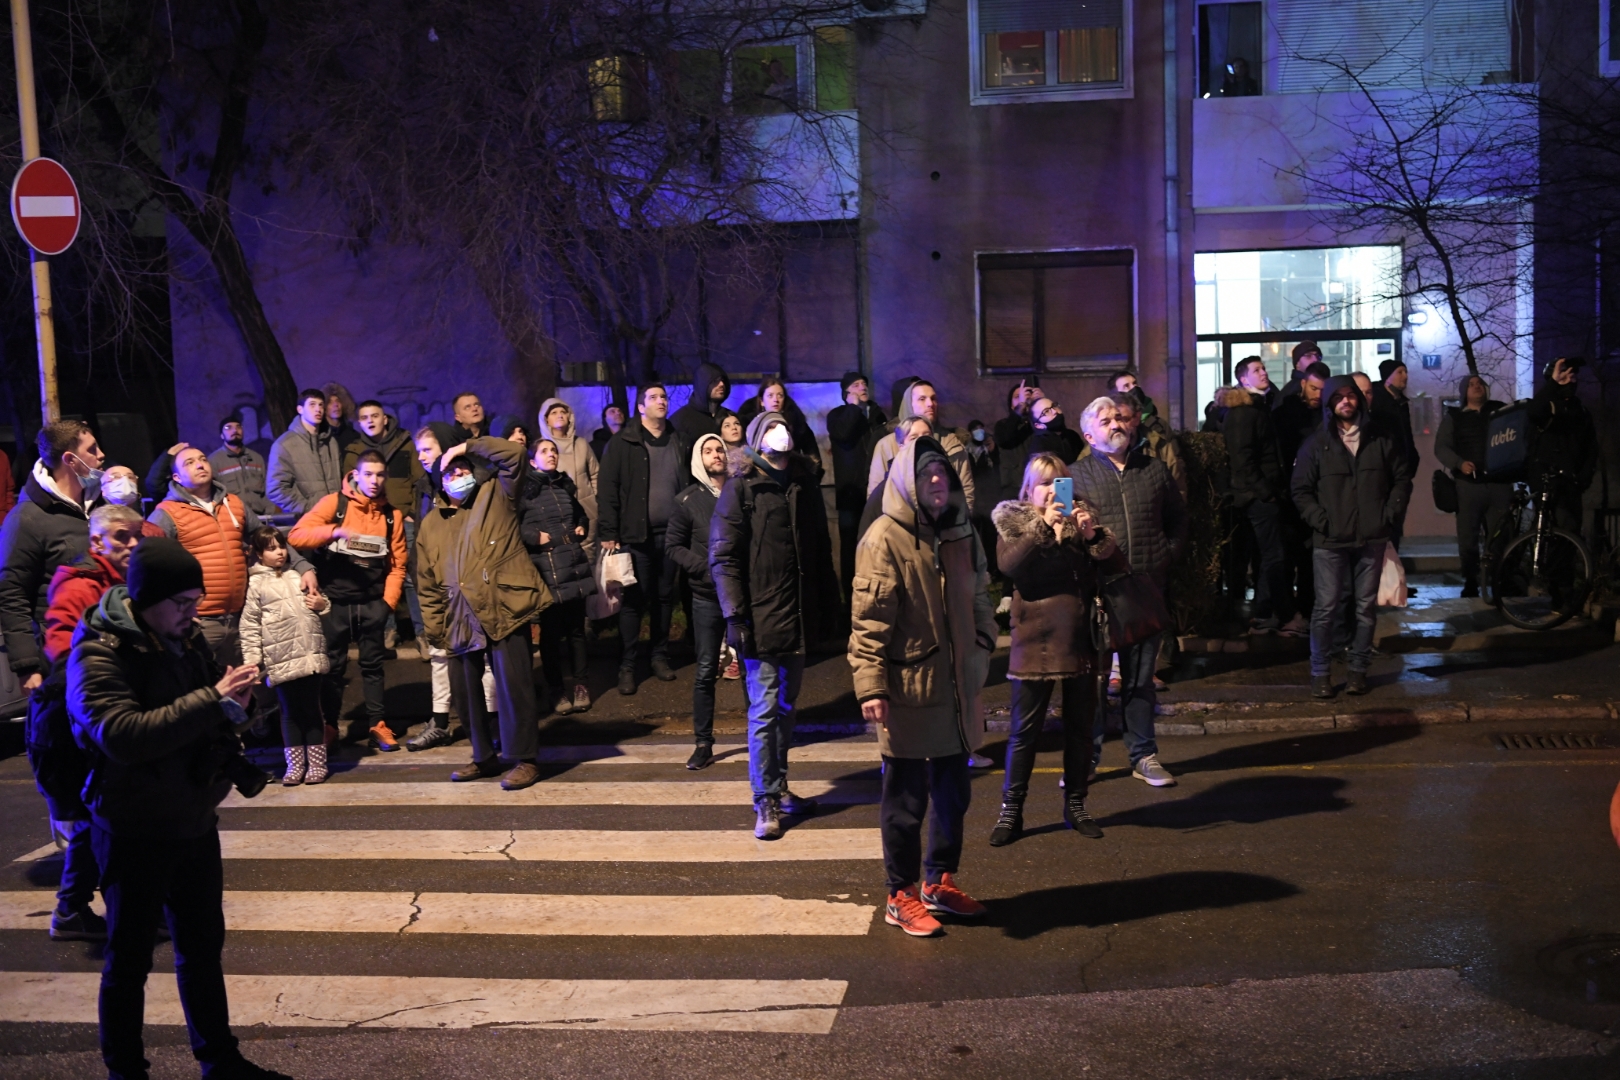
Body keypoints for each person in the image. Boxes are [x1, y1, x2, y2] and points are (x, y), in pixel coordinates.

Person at [67, 537, 290, 1080]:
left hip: (191, 818)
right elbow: (121, 735)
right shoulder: (97, 651)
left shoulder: (185, 640)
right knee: (129, 962)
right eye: (182, 601)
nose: (192, 612)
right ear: (146, 598)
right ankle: (127, 1071)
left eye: (196, 599)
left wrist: (245, 704)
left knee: (201, 950)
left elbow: (205, 714)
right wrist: (213, 699)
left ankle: (220, 1060)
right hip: (132, 827)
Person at [849, 436, 995, 937]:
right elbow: (868, 623)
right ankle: (900, 894)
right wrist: (871, 685)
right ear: (907, 481)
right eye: (927, 473)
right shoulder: (883, 538)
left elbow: (980, 592)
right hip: (909, 687)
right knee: (906, 801)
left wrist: (983, 639)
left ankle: (939, 881)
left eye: (943, 473)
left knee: (954, 794)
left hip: (957, 686)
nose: (938, 480)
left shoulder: (959, 532)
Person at [711, 413, 841, 839]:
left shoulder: (803, 484)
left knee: (786, 709)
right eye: (769, 426)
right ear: (755, 440)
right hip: (760, 618)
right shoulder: (742, 487)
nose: (778, 432)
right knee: (764, 711)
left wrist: (829, 609)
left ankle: (780, 786)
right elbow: (724, 556)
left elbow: (820, 551)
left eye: (782, 424)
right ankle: (764, 797)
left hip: (797, 616)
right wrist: (734, 616)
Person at [990, 453, 1119, 847]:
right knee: (1024, 732)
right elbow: (1010, 567)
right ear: (1029, 489)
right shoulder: (1014, 523)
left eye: (1058, 481)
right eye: (1043, 482)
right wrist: (1044, 527)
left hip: (1078, 635)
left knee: (1080, 730)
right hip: (1034, 637)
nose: (1051, 489)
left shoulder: (1082, 519)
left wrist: (1093, 535)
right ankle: (1011, 811)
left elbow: (1112, 567)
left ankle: (1076, 804)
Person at [33, 503, 143, 943]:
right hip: (76, 724)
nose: (132, 544)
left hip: (102, 719)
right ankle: (75, 908)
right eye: (121, 536)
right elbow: (64, 645)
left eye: (136, 535)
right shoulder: (81, 585)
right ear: (97, 541)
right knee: (96, 820)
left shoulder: (124, 581)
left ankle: (85, 907)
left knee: (105, 818)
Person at [417, 435, 553, 789]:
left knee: (514, 688)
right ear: (440, 483)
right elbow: (427, 583)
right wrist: (435, 630)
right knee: (466, 693)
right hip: (459, 617)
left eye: (463, 470)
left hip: (503, 605)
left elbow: (516, 455)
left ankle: (525, 758)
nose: (458, 475)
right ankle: (483, 757)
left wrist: (463, 447)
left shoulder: (496, 494)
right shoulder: (431, 524)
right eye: (449, 473)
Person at [1071, 396, 1185, 787]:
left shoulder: (1153, 470)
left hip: (1145, 591)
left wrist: (1165, 557)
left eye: (1118, 417)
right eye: (1105, 420)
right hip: (1100, 596)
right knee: (1097, 684)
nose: (1115, 423)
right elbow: (1067, 537)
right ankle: (1087, 759)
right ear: (1089, 434)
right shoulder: (1074, 477)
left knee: (1139, 682)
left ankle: (1144, 756)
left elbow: (1178, 521)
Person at [1292, 376, 1413, 699]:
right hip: (1330, 540)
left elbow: (1402, 479)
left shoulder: (1380, 439)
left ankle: (1358, 671)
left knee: (1364, 609)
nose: (1346, 402)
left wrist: (1388, 516)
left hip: (1371, 537)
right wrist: (1321, 521)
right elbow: (1300, 490)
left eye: (1351, 396)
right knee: (1326, 608)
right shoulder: (1317, 444)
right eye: (1339, 397)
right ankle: (1320, 674)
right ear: (1330, 404)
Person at [149, 445, 317, 669]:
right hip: (200, 622)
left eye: (202, 459)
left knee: (246, 688)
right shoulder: (167, 513)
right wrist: (173, 612)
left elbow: (265, 537)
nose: (200, 464)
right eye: (189, 462)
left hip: (240, 618)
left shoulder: (234, 504)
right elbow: (150, 566)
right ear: (177, 477)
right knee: (205, 691)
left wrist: (302, 565)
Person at [288, 450, 409, 751]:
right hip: (335, 602)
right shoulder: (335, 504)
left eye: (380, 474)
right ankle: (330, 726)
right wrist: (334, 531)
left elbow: (398, 566)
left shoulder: (392, 516)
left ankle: (377, 725)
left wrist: (387, 605)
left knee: (373, 666)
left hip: (371, 603)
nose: (375, 480)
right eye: (368, 474)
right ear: (355, 475)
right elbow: (296, 535)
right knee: (333, 667)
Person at [597, 384, 691, 694]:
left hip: (672, 534)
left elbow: (688, 483)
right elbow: (608, 489)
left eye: (663, 397)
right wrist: (609, 532)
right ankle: (627, 665)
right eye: (653, 398)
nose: (661, 402)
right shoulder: (623, 442)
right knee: (634, 601)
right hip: (637, 535)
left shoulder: (678, 439)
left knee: (664, 598)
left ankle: (659, 657)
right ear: (640, 407)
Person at [0, 419, 105, 692]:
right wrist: (27, 666)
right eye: (92, 450)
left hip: (111, 648)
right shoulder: (27, 518)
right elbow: (12, 594)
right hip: (63, 658)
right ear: (70, 460)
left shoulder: (102, 506)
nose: (101, 455)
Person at [241, 526, 332, 785]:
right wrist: (251, 662)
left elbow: (321, 601)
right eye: (271, 549)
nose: (279, 553)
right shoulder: (256, 585)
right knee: (290, 712)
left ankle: (316, 763)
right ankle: (295, 765)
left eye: (281, 547)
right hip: (281, 659)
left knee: (312, 709)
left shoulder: (297, 576)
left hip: (309, 655)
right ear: (258, 554)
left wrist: (321, 604)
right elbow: (249, 625)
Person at [665, 433, 728, 770]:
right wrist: (705, 569)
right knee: (706, 671)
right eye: (708, 450)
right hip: (706, 597)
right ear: (698, 459)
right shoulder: (687, 501)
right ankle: (703, 742)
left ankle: (761, 738)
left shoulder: (740, 491)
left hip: (742, 596)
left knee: (751, 667)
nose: (716, 454)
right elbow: (673, 546)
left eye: (720, 449)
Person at [521, 438, 595, 716]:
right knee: (551, 636)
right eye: (544, 451)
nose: (551, 455)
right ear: (532, 460)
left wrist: (581, 527)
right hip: (547, 570)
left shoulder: (564, 486)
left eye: (553, 451)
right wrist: (533, 537)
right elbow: (515, 528)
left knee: (577, 631)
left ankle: (581, 685)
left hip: (573, 567)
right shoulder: (525, 492)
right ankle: (555, 689)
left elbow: (582, 517)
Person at [402, 422, 463, 751]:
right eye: (419, 450)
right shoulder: (424, 486)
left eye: (427, 449)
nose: (421, 456)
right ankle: (439, 721)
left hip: (463, 583)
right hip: (435, 583)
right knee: (439, 654)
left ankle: (491, 720)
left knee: (478, 657)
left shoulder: (463, 483)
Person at [1224, 356, 1294, 634]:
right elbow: (1244, 460)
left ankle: (1267, 611)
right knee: (1272, 555)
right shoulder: (1244, 412)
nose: (1264, 372)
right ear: (1243, 379)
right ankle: (1267, 612)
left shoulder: (1257, 407)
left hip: (1258, 495)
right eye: (1256, 370)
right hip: (1257, 497)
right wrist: (1267, 493)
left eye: (1263, 368)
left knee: (1270, 555)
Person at [1435, 374, 1510, 597]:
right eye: (1471, 385)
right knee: (1468, 538)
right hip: (1469, 486)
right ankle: (1471, 581)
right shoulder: (1454, 418)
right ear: (1464, 392)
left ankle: (1499, 580)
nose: (1477, 387)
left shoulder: (1500, 412)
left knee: (1500, 536)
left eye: (1480, 384)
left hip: (1499, 484)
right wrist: (1459, 464)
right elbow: (1442, 447)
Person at [1273, 362, 1330, 624]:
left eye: (1322, 389)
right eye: (1314, 388)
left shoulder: (1325, 414)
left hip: (1316, 493)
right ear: (1304, 384)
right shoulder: (1287, 411)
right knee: (1289, 556)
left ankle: (1307, 608)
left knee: (1310, 557)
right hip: (1290, 493)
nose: (1318, 395)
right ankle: (1288, 610)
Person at [868, 379, 978, 515]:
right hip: (900, 528)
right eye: (922, 399)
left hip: (945, 528)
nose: (930, 404)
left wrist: (958, 527)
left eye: (933, 399)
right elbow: (875, 496)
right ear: (909, 404)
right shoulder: (887, 445)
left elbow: (965, 492)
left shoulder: (953, 444)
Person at [826, 371, 890, 594]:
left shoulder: (878, 416)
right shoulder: (837, 415)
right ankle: (851, 594)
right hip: (850, 493)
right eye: (856, 385)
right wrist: (853, 408)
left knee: (879, 542)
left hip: (877, 490)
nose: (862, 387)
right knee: (851, 546)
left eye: (864, 384)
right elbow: (843, 434)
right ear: (846, 392)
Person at [1527, 356, 1596, 535]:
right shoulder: (1547, 405)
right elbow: (1533, 411)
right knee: (1545, 531)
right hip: (1544, 478)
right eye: (1565, 377)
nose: (1570, 382)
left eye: (1573, 377)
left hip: (1571, 481)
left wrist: (1584, 478)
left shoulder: (1581, 411)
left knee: (1570, 531)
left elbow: (1590, 448)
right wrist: (1553, 384)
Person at [267, 387, 344, 514]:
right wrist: (309, 508)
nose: (318, 409)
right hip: (307, 520)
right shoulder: (284, 445)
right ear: (300, 409)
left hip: (336, 516)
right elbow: (276, 490)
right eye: (312, 405)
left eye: (321, 405)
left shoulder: (331, 442)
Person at [537, 397, 600, 550]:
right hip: (558, 513)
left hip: (587, 509)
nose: (560, 415)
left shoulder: (582, 444)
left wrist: (593, 500)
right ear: (545, 419)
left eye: (563, 412)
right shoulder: (542, 448)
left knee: (588, 555)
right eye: (554, 412)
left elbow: (595, 474)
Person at [344, 401, 425, 517]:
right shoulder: (353, 452)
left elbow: (420, 482)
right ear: (360, 423)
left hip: (403, 517)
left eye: (375, 416)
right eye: (364, 418)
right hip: (369, 520)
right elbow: (349, 490)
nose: (370, 421)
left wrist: (412, 514)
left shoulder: (405, 445)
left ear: (385, 419)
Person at [1370, 359, 1419, 544]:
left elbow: (1406, 436)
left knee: (1396, 526)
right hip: (1385, 475)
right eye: (1400, 372)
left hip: (1401, 473)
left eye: (1405, 372)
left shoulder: (1400, 403)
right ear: (1387, 378)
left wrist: (1412, 460)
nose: (1405, 377)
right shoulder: (1378, 402)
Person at [737, 376, 823, 473]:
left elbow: (813, 455)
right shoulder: (750, 425)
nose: (776, 400)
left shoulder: (796, 423)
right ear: (762, 401)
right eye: (770, 395)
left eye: (780, 395)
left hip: (791, 476)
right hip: (758, 476)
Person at [208, 414, 274, 515]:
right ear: (221, 435)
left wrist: (269, 513)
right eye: (228, 428)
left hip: (260, 516)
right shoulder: (214, 461)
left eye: (238, 427)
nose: (235, 430)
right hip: (232, 517)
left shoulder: (256, 458)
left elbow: (268, 488)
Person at [994, 379, 1041, 497]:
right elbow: (1005, 439)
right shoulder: (1003, 425)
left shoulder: (1040, 423)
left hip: (1039, 485)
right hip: (1013, 488)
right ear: (1011, 405)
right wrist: (1020, 406)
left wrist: (1042, 403)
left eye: (1027, 396)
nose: (1024, 399)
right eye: (1017, 397)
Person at [671, 361, 736, 443]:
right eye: (715, 381)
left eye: (723, 380)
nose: (722, 384)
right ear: (703, 385)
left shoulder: (729, 416)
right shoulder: (680, 420)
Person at [1026, 396, 1083, 464]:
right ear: (1038, 425)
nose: (1055, 411)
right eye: (1046, 411)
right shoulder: (1040, 451)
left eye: (1054, 406)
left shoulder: (1072, 435)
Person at [1274, 340, 1324, 407]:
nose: (1315, 359)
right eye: (1308, 356)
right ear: (1297, 364)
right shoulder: (1295, 391)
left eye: (1318, 356)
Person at [323, 381, 360, 451]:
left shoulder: (353, 436)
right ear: (324, 407)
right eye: (330, 402)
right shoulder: (320, 436)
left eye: (338, 401)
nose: (336, 405)